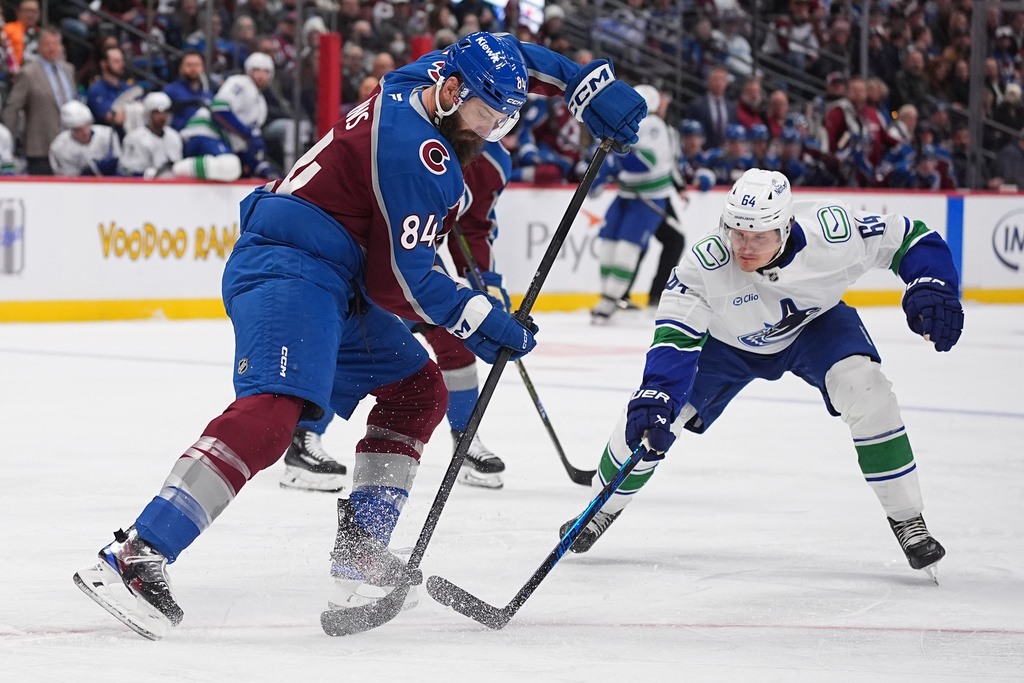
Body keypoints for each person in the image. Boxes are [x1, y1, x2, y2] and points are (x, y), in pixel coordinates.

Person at [73, 31, 645, 639]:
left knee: (417, 391)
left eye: (503, 120)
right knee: (273, 413)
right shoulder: (416, 151)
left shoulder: (418, 81)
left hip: (331, 276)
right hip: (289, 265)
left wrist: (586, 86)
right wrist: (482, 321)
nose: (488, 132)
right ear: (452, 93)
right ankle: (135, 555)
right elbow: (402, 280)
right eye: (484, 115)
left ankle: (362, 552)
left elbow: (506, 51)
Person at [560, 168, 962, 583]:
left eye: (759, 236)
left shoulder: (833, 233)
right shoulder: (705, 264)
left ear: (786, 228)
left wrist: (933, 283)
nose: (744, 247)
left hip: (815, 328)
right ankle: (601, 508)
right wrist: (658, 394)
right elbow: (676, 336)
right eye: (736, 233)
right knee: (650, 422)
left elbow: (909, 236)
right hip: (725, 346)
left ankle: (908, 519)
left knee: (869, 392)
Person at [282, 138, 517, 492]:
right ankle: (304, 438)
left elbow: (474, 227)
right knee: (360, 346)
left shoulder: (495, 160)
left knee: (457, 340)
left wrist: (488, 282)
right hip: (373, 261)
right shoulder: (420, 132)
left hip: (420, 265)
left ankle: (466, 442)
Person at [591, 85, 677, 324]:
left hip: (648, 197)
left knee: (627, 249)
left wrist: (612, 164)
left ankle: (611, 298)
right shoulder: (624, 123)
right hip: (625, 194)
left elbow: (644, 162)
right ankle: (607, 296)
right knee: (608, 243)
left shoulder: (653, 125)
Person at [174, 52, 276, 181]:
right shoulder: (240, 83)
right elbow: (219, 109)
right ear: (248, 71)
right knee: (230, 166)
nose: (261, 75)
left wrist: (258, 164)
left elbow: (242, 140)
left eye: (266, 71)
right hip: (203, 133)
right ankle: (174, 169)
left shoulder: (261, 103)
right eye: (256, 70)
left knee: (233, 169)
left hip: (220, 140)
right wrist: (247, 133)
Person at [1, 26, 76, 175]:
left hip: (69, 146)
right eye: (47, 44)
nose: (52, 48)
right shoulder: (29, 73)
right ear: (39, 47)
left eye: (55, 44)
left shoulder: (69, 69)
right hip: (40, 146)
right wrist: (10, 143)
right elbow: (12, 109)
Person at [119, 92, 183, 179]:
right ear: (148, 114)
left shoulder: (174, 136)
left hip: (171, 186)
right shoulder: (135, 138)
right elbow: (127, 172)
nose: (162, 117)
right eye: (157, 112)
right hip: (143, 187)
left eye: (165, 112)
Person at [48, 100, 121, 176]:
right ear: (70, 129)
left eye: (86, 125)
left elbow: (120, 164)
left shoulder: (107, 135)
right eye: (79, 129)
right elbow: (65, 178)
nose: (85, 132)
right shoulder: (59, 146)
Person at [162, 50, 213, 131]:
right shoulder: (170, 91)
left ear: (202, 68)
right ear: (181, 68)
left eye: (197, 65)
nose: (193, 69)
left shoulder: (207, 92)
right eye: (189, 65)